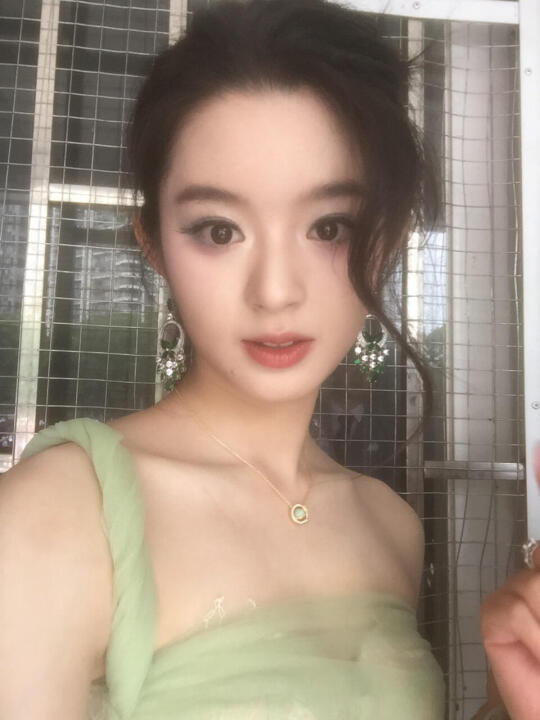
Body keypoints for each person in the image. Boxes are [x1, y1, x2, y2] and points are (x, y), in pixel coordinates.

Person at [5, 0, 531, 717]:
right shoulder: (59, 512)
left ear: (387, 240)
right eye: (219, 231)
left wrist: (511, 695)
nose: (276, 291)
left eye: (329, 226)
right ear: (153, 243)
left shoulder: (388, 525)